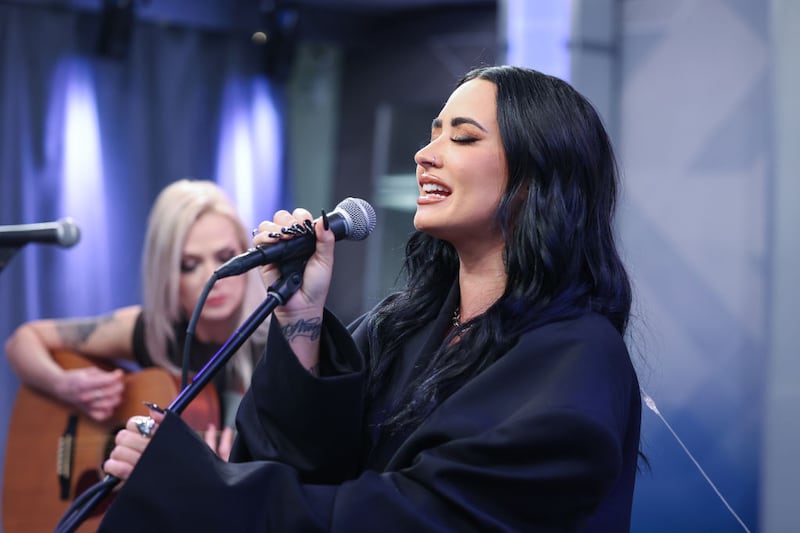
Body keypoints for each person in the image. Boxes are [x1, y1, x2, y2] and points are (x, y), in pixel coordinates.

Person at [99, 65, 641, 532]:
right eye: (433, 134)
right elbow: (295, 467)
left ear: (535, 177)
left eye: (463, 137)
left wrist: (196, 484)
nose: (425, 154)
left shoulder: (578, 359)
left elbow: (416, 519)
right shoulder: (399, 326)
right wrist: (301, 317)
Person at [4, 179, 268, 459]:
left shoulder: (279, 340)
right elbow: (24, 341)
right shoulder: (153, 332)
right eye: (189, 265)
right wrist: (66, 386)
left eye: (226, 257)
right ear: (165, 274)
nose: (213, 277)